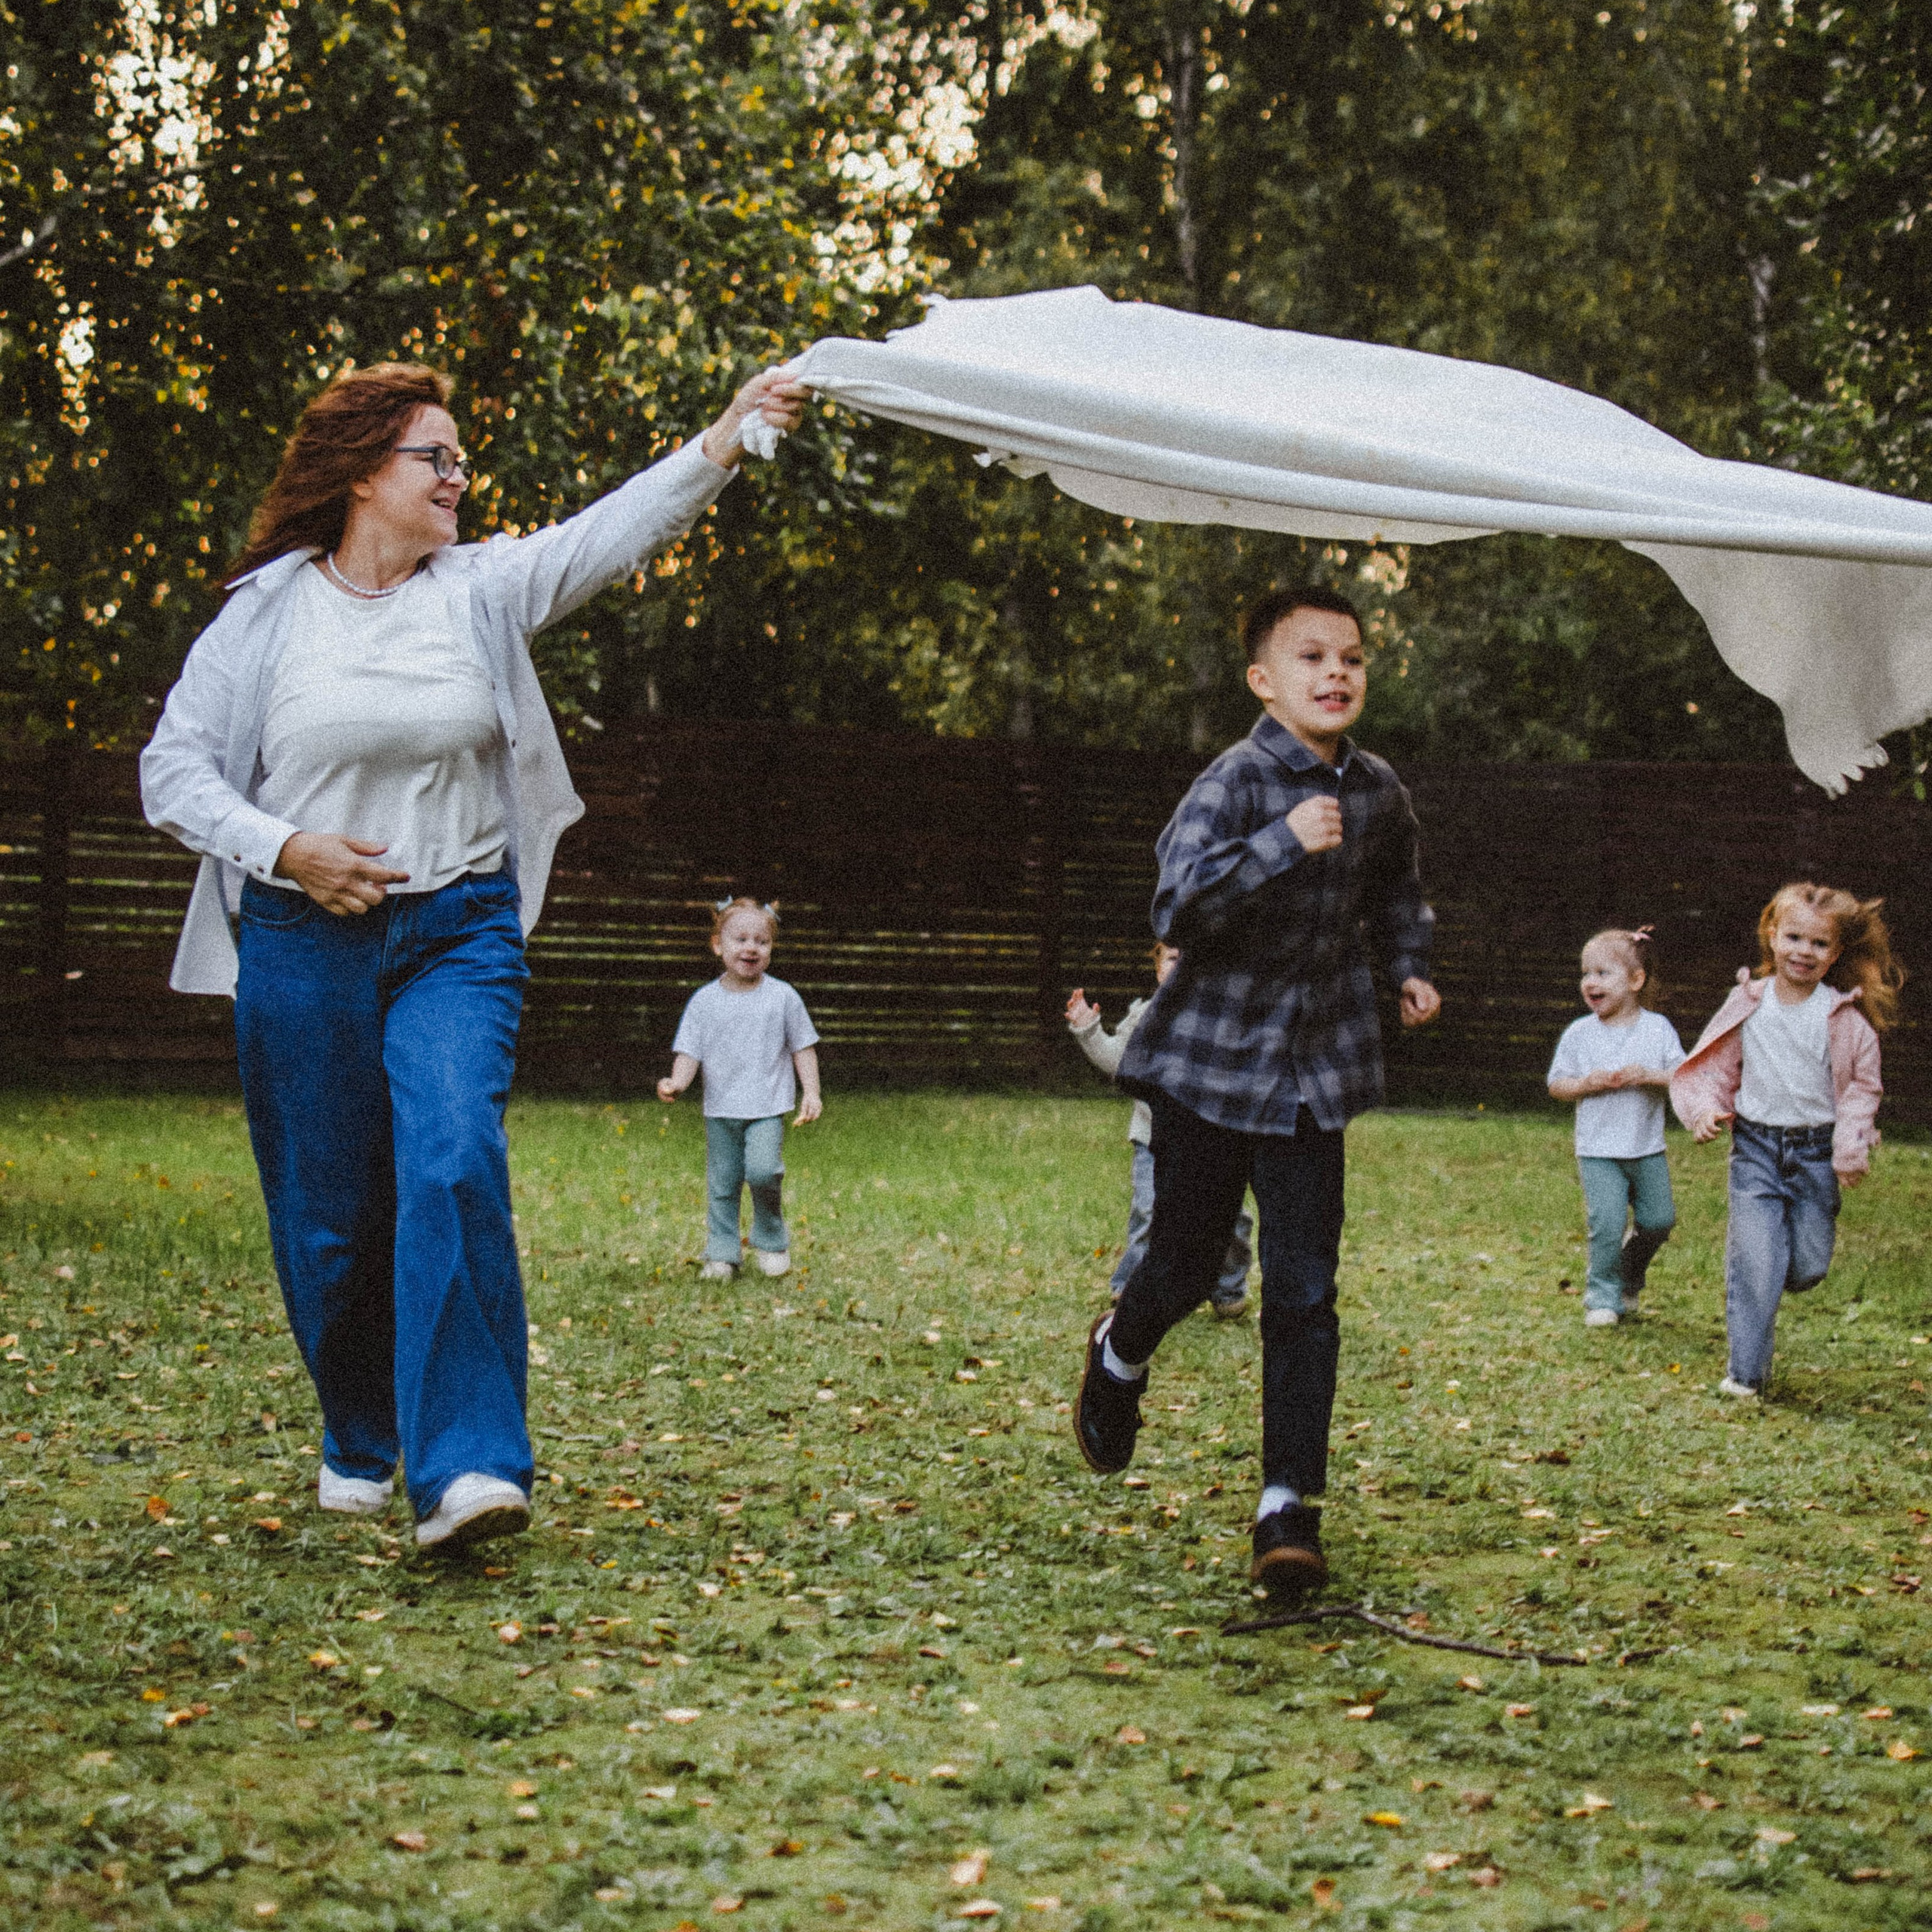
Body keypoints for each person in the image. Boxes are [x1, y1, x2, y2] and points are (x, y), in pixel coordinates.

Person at [141, 358, 807, 1550]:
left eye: (459, 458)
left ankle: (468, 1470)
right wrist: (286, 847)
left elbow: (608, 534)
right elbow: (174, 774)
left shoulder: (480, 590)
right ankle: (360, 1434)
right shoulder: (264, 615)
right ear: (360, 473)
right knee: (331, 1219)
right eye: (432, 458)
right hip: (304, 940)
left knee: (451, 1158)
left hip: (458, 930)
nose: (459, 477)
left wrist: (722, 438)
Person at [1074, 582, 1440, 1602]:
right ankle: (1121, 1347)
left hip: (1313, 1074)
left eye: (1352, 658)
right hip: (1208, 1065)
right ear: (1263, 680)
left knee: (1305, 1290)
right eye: (1313, 658)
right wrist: (1281, 844)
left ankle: (1289, 1508)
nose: (1336, 674)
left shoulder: (1376, 792)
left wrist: (1408, 962)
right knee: (1187, 1262)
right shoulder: (1234, 782)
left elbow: (1398, 890)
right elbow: (1176, 903)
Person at [1672, 883, 1898, 1399]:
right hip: (1754, 1151)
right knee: (1756, 1262)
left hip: (1816, 1153)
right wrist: (1704, 1110)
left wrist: (1850, 1146)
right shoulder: (1747, 1002)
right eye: (1793, 937)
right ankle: (1744, 1375)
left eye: (1818, 944)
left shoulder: (1843, 1017)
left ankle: (1777, 1272)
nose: (1803, 951)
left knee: (1806, 1266)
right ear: (1772, 937)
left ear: (1835, 953)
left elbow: (1863, 1088)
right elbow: (1712, 1066)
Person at [1066, 941, 1252, 1318]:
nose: (1181, 965)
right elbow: (1119, 1061)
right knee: (1149, 1212)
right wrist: (1089, 1030)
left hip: (1217, 1139)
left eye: (1192, 957)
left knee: (1231, 1216)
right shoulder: (1146, 1016)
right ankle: (1131, 1286)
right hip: (1155, 1138)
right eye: (1172, 958)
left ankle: (1228, 1287)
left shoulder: (1225, 1017)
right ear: (1157, 969)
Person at [657, 898, 822, 1280]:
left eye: (761, 941)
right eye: (740, 939)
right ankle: (722, 1253)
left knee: (765, 1173)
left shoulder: (783, 997)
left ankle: (770, 1240)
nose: (751, 948)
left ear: (771, 948)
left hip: (767, 1107)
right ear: (718, 945)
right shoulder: (704, 1002)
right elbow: (689, 1051)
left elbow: (803, 1047)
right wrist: (677, 1082)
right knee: (724, 1182)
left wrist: (811, 1092)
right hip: (721, 1109)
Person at [1546, 927, 1685, 1328]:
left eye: (1603, 973)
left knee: (1659, 1221)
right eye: (1586, 973)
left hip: (1646, 1148)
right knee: (1606, 1223)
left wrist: (1649, 1076)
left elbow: (1683, 1075)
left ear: (1636, 980)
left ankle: (1630, 1272)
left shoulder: (1657, 1029)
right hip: (1598, 1150)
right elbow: (1557, 1085)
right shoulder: (1580, 1034)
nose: (1591, 982)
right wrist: (1586, 1085)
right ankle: (1603, 1297)